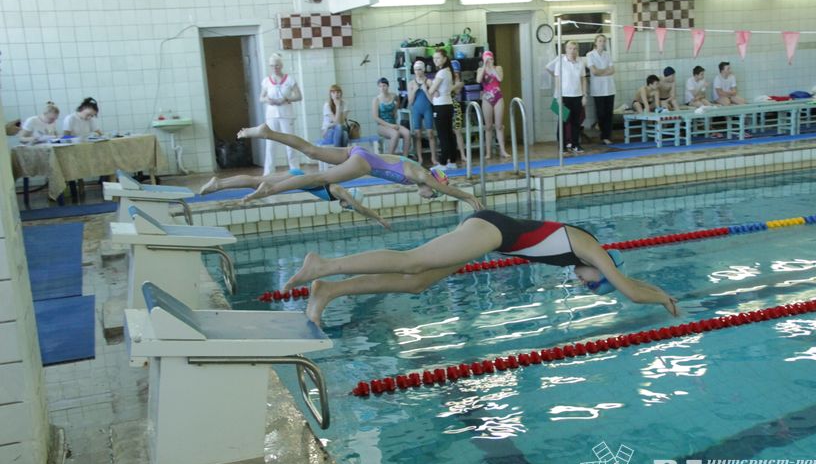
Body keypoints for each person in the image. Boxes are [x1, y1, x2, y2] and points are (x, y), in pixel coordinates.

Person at [282, 209, 680, 326]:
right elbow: (627, 288)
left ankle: (329, 291)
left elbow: (627, 281)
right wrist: (661, 297)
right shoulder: (594, 251)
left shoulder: (586, 257)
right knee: (413, 261)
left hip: (491, 239)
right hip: (493, 231)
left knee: (416, 283)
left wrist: (648, 287)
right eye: (595, 286)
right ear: (607, 266)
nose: (585, 285)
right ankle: (324, 266)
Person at [209, 123, 484, 210]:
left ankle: (267, 131)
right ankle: (271, 188)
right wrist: (470, 197)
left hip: (360, 153)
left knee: (311, 150)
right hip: (363, 163)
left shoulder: (417, 171)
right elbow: (451, 192)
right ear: (436, 183)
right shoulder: (422, 175)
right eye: (434, 193)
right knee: (318, 179)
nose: (431, 195)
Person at [259, 53, 304, 175]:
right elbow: (261, 98)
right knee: (270, 144)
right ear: (270, 66)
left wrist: (287, 99)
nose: (275, 68)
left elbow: (299, 96)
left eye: (277, 66)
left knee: (290, 143)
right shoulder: (266, 81)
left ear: (282, 65)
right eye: (273, 66)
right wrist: (268, 100)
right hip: (272, 115)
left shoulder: (289, 79)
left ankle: (295, 170)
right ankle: (268, 173)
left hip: (286, 114)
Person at [546, 40, 588, 154]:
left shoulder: (580, 62)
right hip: (564, 96)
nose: (572, 51)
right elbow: (557, 79)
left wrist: (584, 95)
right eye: (570, 48)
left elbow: (583, 79)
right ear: (566, 49)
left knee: (576, 122)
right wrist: (559, 96)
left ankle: (575, 144)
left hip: (577, 96)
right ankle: (562, 146)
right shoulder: (561, 62)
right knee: (563, 121)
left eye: (574, 49)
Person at [476, 50, 511, 158]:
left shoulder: (498, 68)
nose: (489, 61)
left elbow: (500, 78)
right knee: (488, 126)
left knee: (499, 126)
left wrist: (491, 68)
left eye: (491, 59)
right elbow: (478, 80)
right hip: (486, 98)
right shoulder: (480, 69)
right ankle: (488, 152)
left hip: (497, 96)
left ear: (493, 59)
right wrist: (484, 67)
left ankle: (502, 150)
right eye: (487, 59)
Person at [428, 48, 460, 168]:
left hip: (441, 107)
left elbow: (431, 90)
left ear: (445, 59)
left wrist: (430, 83)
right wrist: (435, 88)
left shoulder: (441, 73)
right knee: (449, 134)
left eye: (438, 58)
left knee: (443, 135)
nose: (435, 60)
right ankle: (452, 161)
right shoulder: (448, 71)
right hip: (447, 105)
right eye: (434, 58)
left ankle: (442, 163)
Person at [586, 34, 616, 146]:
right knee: (601, 113)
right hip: (598, 90)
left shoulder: (608, 54)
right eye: (600, 41)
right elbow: (594, 71)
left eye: (604, 41)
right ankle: (602, 132)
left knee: (609, 113)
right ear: (595, 42)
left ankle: (606, 136)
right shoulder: (590, 55)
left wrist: (601, 71)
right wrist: (605, 71)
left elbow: (612, 70)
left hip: (609, 88)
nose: (602, 43)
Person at [372, 77, 410, 158]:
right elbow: (375, 117)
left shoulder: (393, 96)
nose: (382, 88)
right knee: (395, 134)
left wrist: (395, 110)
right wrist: (390, 126)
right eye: (380, 86)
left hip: (393, 124)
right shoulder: (376, 100)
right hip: (382, 126)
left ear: (388, 86)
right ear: (378, 87)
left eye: (384, 86)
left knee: (407, 133)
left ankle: (405, 158)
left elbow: (398, 100)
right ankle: (389, 158)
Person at [409, 60, 438, 166]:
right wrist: (414, 91)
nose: (417, 72)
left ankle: (433, 158)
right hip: (416, 110)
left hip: (427, 109)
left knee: (430, 134)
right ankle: (420, 158)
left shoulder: (429, 82)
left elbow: (433, 101)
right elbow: (410, 102)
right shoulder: (411, 84)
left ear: (423, 70)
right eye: (415, 70)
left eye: (419, 69)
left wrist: (426, 91)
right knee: (418, 135)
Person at [450, 60, 467, 164]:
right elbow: (447, 90)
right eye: (454, 71)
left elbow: (456, 90)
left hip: (455, 107)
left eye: (457, 72)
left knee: (458, 132)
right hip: (445, 106)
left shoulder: (459, 81)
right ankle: (449, 155)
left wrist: (456, 82)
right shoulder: (445, 78)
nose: (455, 73)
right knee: (447, 133)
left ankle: (462, 155)